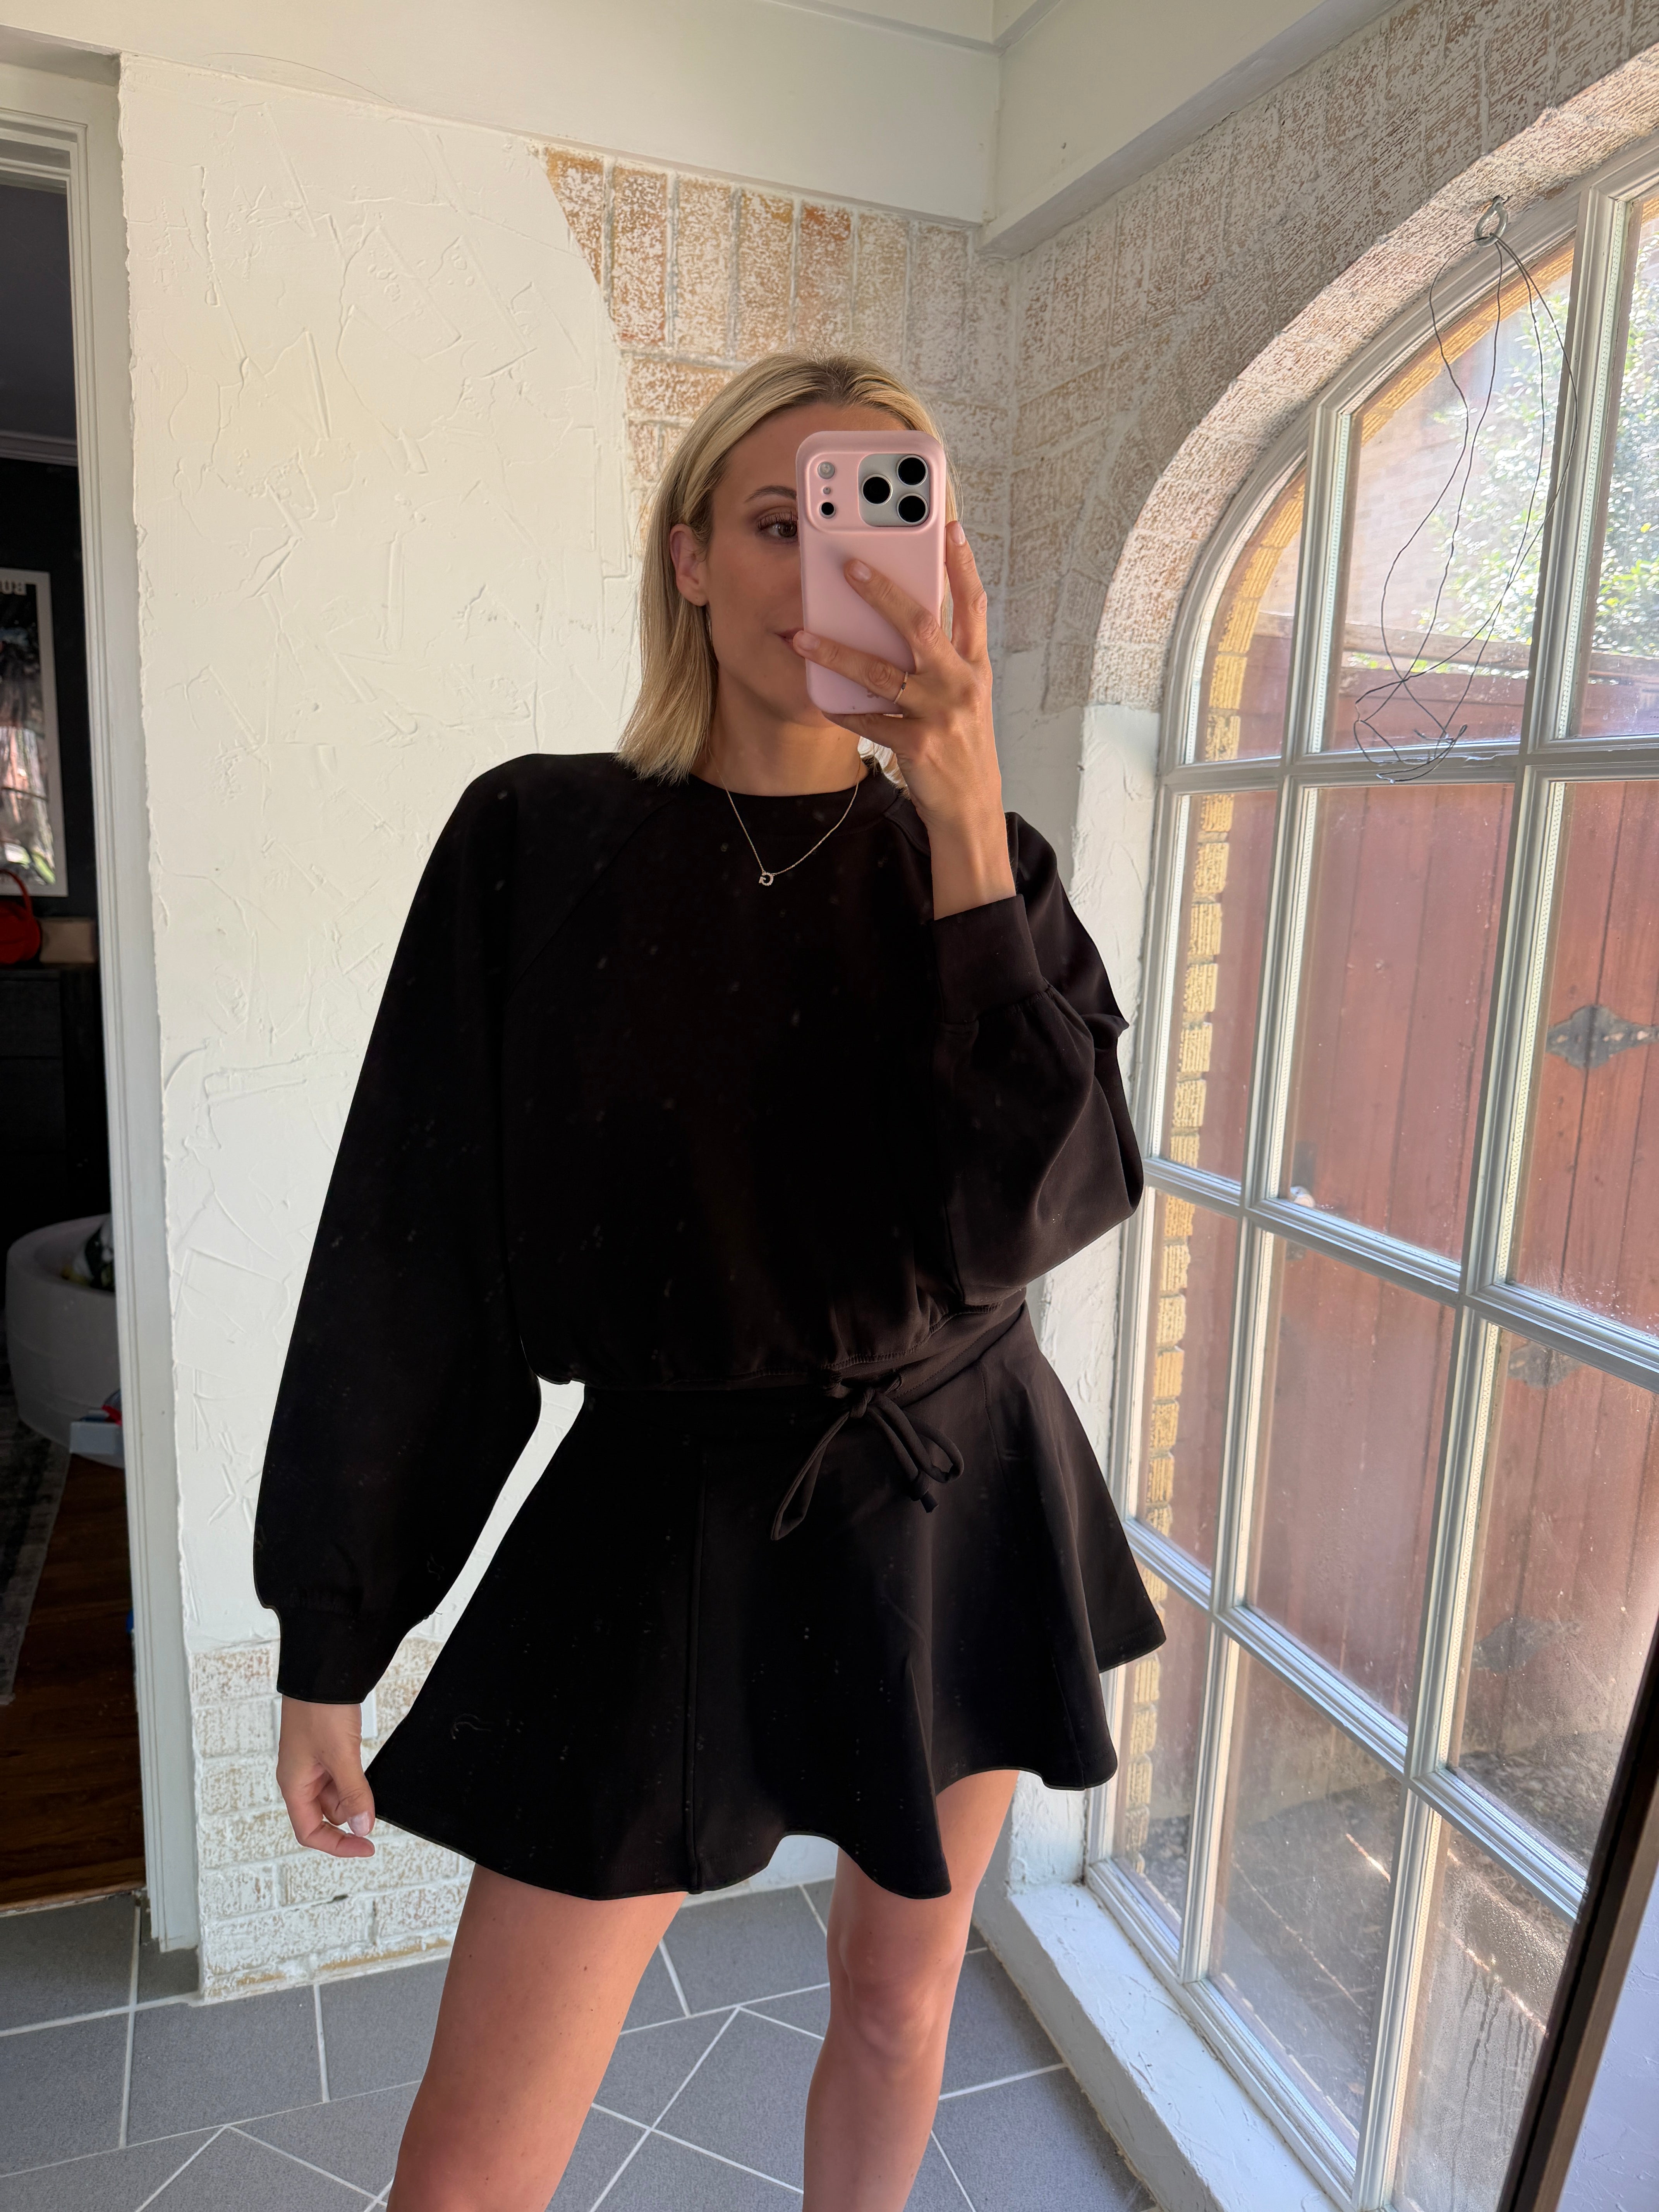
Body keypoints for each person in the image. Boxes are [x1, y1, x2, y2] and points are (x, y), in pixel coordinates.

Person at [255, 350, 1164, 2212]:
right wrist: (336, 1632)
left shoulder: (983, 868)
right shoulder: (535, 842)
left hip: (954, 1486)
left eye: (877, 528)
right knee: (468, 2164)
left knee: (898, 2005)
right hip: (661, 1507)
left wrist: (964, 808)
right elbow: (414, 1246)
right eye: (776, 523)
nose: (824, 574)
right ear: (686, 558)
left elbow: (1038, 1212)